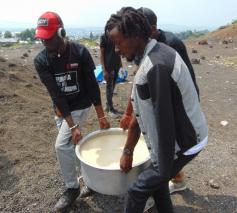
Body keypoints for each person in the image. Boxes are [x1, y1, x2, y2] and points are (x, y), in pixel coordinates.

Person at [106, 7, 208, 213]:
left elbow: (165, 122)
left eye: (118, 43)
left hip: (186, 141)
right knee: (159, 186)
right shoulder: (153, 53)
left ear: (134, 36)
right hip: (184, 136)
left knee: (137, 191)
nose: (116, 50)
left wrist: (162, 169)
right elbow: (141, 110)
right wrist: (130, 151)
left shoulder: (156, 66)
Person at [34, 11, 110, 212]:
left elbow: (93, 86)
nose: (45, 43)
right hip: (61, 109)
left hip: (81, 104)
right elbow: (56, 95)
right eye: (42, 39)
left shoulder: (81, 53)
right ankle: (91, 181)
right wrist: (72, 125)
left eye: (49, 38)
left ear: (61, 32)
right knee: (72, 144)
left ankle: (72, 188)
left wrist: (101, 115)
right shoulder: (41, 61)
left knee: (61, 146)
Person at [100, 25, 122, 117]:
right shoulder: (104, 37)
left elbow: (118, 50)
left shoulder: (116, 36)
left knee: (112, 87)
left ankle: (108, 106)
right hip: (109, 67)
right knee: (109, 88)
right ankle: (110, 109)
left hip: (116, 65)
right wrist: (104, 70)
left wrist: (121, 64)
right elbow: (101, 54)